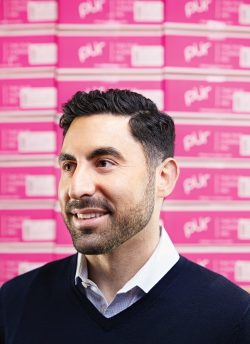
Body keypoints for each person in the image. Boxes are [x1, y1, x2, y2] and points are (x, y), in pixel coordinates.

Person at [0, 89, 249, 344]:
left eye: (104, 162)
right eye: (69, 166)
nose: (76, 187)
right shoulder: (14, 302)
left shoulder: (233, 318)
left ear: (163, 178)